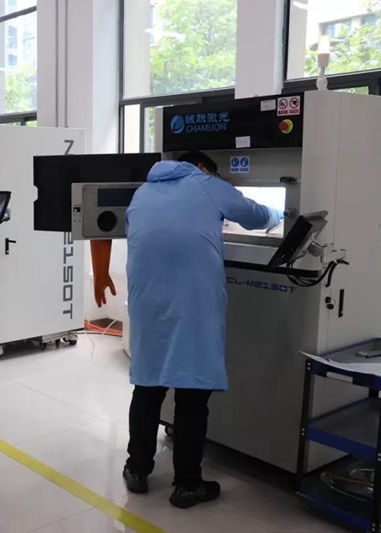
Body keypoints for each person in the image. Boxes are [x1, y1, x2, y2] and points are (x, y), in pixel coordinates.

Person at [122, 151, 283, 509]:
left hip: (148, 306)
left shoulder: (142, 192)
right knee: (192, 396)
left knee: (147, 388)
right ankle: (187, 485)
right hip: (191, 305)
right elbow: (256, 216)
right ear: (201, 168)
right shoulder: (206, 184)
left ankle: (137, 469)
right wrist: (282, 213)